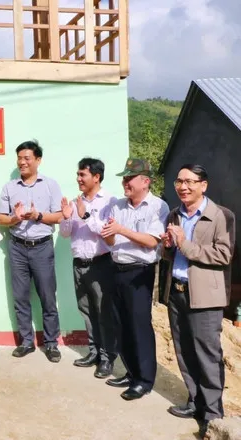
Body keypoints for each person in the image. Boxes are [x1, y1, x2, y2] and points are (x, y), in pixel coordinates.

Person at [160, 164, 235, 438]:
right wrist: (168, 246)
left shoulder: (221, 215)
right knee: (184, 351)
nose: (183, 187)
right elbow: (170, 255)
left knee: (207, 354)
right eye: (179, 181)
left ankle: (213, 414)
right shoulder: (174, 214)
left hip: (205, 296)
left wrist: (184, 244)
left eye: (190, 181)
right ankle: (195, 401)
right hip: (177, 291)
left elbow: (223, 255)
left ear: (204, 185)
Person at [101, 157, 169, 401]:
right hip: (116, 269)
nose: (125, 183)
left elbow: (151, 241)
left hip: (139, 272)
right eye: (124, 178)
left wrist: (121, 230)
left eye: (130, 178)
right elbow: (110, 240)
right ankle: (131, 372)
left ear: (145, 181)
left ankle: (144, 380)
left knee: (139, 326)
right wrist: (109, 234)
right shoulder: (118, 206)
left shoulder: (157, 206)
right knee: (121, 325)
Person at [0, 140, 64, 363]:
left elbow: (60, 216)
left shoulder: (50, 185)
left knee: (47, 296)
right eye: (19, 158)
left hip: (42, 247)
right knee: (21, 296)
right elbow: (0, 218)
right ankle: (26, 341)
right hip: (17, 247)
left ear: (38, 160)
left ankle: (51, 343)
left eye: (27, 158)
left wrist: (38, 216)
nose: (22, 162)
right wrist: (14, 218)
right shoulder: (10, 187)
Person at [59, 158, 118, 378]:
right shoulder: (75, 202)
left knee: (103, 312)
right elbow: (65, 233)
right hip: (79, 264)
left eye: (82, 175)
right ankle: (94, 352)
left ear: (96, 177)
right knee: (87, 311)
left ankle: (107, 357)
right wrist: (67, 218)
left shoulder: (110, 202)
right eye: (78, 174)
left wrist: (85, 215)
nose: (78, 179)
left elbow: (107, 232)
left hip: (100, 263)